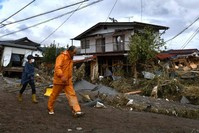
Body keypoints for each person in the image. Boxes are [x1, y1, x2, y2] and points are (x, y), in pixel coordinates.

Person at [47, 46, 84, 117]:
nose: (75, 54)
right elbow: (57, 67)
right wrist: (62, 76)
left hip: (68, 81)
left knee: (72, 95)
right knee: (54, 95)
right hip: (59, 80)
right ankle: (50, 108)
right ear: (69, 51)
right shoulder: (61, 57)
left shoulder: (70, 58)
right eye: (74, 53)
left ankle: (77, 110)